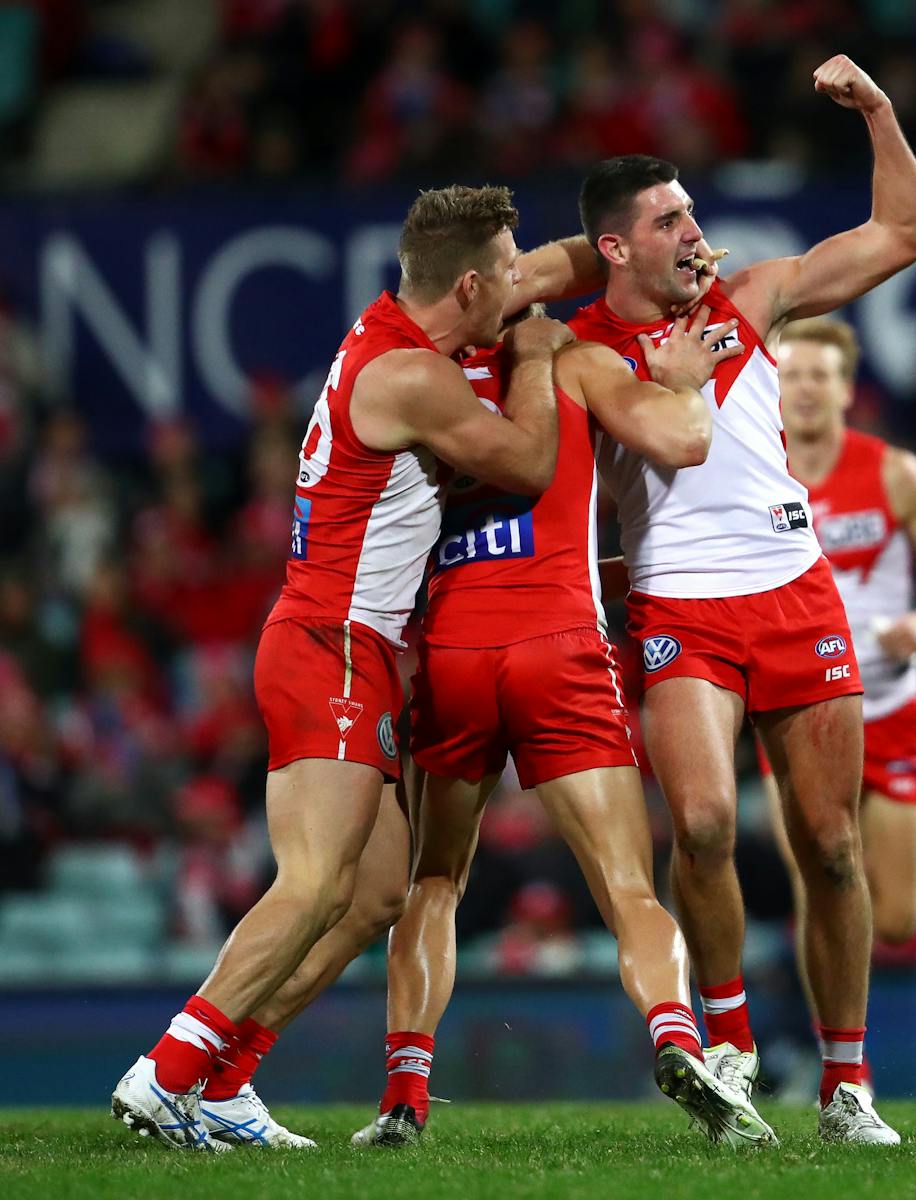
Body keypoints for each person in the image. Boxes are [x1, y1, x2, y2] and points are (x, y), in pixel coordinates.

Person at [111, 185, 590, 1151]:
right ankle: (165, 1073)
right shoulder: (410, 376)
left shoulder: (404, 328)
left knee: (373, 894)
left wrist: (631, 239)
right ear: (466, 284)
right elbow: (532, 464)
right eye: (505, 275)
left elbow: (551, 268)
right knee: (315, 879)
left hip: (358, 646)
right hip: (330, 642)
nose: (521, 287)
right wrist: (536, 358)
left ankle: (226, 1085)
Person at [566, 54, 916, 1145]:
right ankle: (726, 1053)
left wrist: (876, 112)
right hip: (679, 602)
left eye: (694, 213)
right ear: (615, 247)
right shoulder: (582, 349)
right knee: (705, 824)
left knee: (830, 846)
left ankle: (846, 1085)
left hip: (795, 591)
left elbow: (905, 235)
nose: (694, 231)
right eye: (669, 218)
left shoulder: (756, 294)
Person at [344, 306, 781, 1149]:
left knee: (435, 884)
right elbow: (676, 436)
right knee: (627, 887)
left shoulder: (417, 387)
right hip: (560, 643)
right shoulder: (573, 366)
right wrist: (683, 382)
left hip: (456, 648)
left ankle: (404, 1096)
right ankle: (677, 1036)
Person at [762, 317, 916, 1019]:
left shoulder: (891, 472)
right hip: (796, 713)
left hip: (888, 712)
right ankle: (837, 1060)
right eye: (791, 374)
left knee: (897, 919)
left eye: (820, 376)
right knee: (815, 887)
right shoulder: (755, 474)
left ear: (846, 390)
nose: (805, 389)